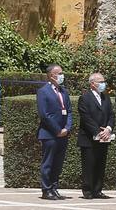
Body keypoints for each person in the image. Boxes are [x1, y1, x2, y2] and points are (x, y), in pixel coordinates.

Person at [36, 64, 73, 202]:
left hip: (63, 134)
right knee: (48, 163)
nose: (62, 75)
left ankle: (54, 188)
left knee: (58, 163)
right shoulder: (43, 91)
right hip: (49, 134)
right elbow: (44, 115)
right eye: (60, 73)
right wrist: (57, 130)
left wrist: (67, 128)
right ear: (52, 75)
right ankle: (46, 190)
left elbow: (69, 111)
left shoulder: (64, 91)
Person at [78, 72, 115, 199]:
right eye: (100, 82)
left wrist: (108, 129)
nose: (103, 84)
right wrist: (98, 132)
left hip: (104, 137)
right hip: (89, 138)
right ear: (92, 83)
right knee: (89, 164)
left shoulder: (106, 97)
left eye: (103, 81)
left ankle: (98, 190)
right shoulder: (84, 98)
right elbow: (86, 118)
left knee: (101, 164)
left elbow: (111, 115)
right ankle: (88, 190)